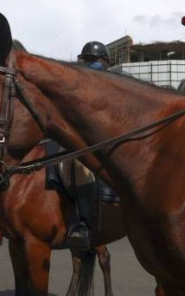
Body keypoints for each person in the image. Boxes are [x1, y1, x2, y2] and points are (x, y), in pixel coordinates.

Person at [66, 41, 110, 250]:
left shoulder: (111, 85)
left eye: (93, 60)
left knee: (81, 167)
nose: (89, 65)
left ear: (104, 61)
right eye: (87, 60)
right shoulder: (79, 86)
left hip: (103, 141)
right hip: (80, 139)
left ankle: (83, 224)